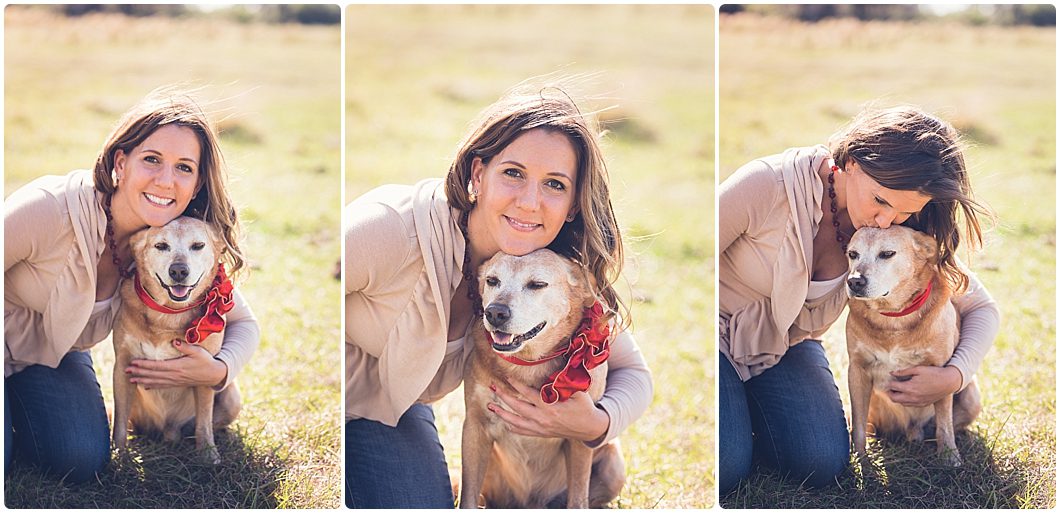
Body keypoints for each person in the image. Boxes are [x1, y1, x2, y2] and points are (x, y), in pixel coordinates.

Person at [344, 79, 653, 508]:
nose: (529, 202)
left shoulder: (559, 270)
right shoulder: (389, 229)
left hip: (393, 406)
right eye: (513, 173)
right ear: (478, 174)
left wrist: (595, 423)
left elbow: (634, 374)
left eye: (555, 184)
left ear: (574, 204)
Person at [718, 105, 1000, 494]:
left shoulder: (899, 232)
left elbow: (980, 306)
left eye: (905, 211)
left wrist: (953, 376)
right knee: (726, 467)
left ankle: (748, 413)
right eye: (881, 201)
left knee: (820, 462)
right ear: (850, 161)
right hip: (714, 336)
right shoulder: (767, 184)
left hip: (784, 347)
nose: (886, 220)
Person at [4, 87, 260, 483]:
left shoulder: (164, 245)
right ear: (120, 163)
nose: (165, 180)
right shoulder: (49, 208)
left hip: (51, 356)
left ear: (195, 183)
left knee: (81, 458)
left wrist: (217, 370)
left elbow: (244, 322)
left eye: (184, 168)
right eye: (152, 159)